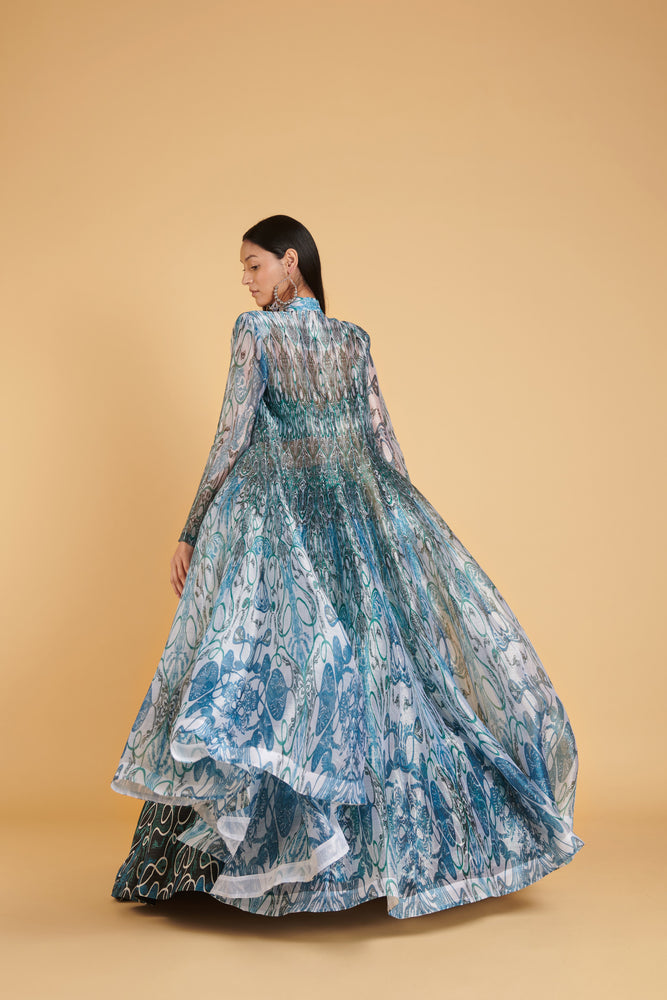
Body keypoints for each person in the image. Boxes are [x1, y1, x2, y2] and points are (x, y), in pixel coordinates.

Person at [109, 214, 584, 920]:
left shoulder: (256, 333)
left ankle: (277, 869)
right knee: (381, 680)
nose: (246, 281)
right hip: (361, 522)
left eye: (253, 266)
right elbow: (383, 445)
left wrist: (190, 529)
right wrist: (402, 533)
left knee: (290, 675)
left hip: (288, 530)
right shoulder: (352, 340)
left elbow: (231, 435)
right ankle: (393, 860)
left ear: (289, 261)